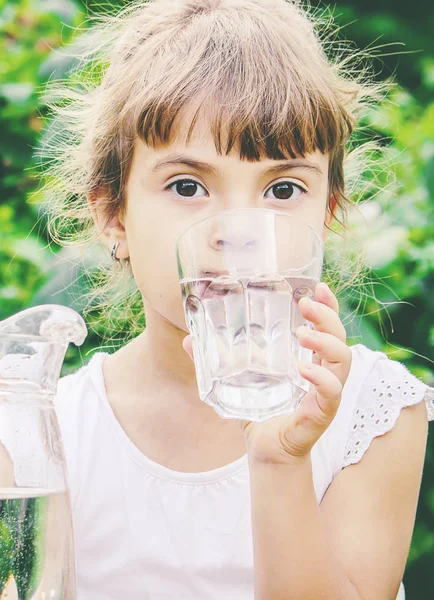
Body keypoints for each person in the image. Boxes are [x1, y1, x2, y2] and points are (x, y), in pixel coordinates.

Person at [35, 0, 434, 598]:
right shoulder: (47, 433)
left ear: (326, 214)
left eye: (282, 187)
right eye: (188, 185)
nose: (239, 229)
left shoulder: (373, 414)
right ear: (113, 215)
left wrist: (280, 463)